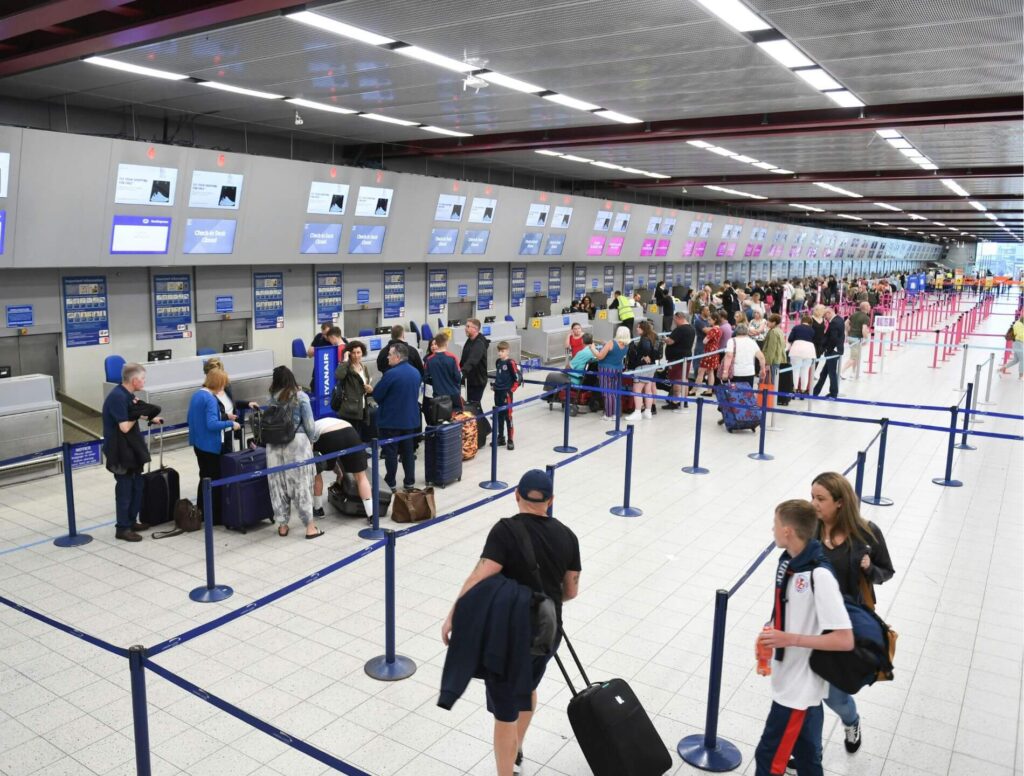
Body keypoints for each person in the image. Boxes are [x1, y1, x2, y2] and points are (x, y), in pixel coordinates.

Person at [440, 469, 581, 776]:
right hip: (547, 632)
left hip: (508, 635)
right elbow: (570, 591)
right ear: (550, 500)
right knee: (527, 687)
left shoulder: (505, 531)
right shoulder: (568, 536)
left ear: (516, 495)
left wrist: (455, 613)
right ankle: (516, 748)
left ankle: (506, 771)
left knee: (504, 710)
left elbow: (481, 575)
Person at [753, 499, 853, 776]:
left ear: (787, 531)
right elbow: (788, 610)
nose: (771, 529)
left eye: (775, 524)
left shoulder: (819, 575)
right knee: (808, 761)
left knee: (769, 758)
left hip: (799, 689)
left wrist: (789, 639)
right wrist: (770, 631)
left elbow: (844, 640)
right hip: (791, 680)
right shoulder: (789, 562)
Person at [810, 472, 895, 756]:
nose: (814, 504)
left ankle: (852, 721)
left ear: (840, 503)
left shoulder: (867, 533)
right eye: (812, 497)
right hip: (811, 621)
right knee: (809, 696)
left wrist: (870, 569)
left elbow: (886, 571)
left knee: (836, 696)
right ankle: (811, 752)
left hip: (846, 627)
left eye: (820, 498)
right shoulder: (811, 529)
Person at [248, 367, 321, 538]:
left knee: (277, 484)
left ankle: (282, 525)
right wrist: (312, 440)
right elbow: (310, 425)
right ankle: (310, 527)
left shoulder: (272, 398)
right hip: (297, 444)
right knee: (301, 485)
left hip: (273, 446)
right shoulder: (300, 396)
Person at [102, 363, 163, 542]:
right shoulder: (117, 398)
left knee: (138, 486)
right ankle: (122, 528)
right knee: (125, 490)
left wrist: (150, 417)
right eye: (143, 379)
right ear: (134, 380)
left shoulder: (128, 395)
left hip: (132, 449)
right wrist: (137, 415)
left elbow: (134, 412)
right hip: (120, 451)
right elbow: (124, 427)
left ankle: (131, 521)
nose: (144, 381)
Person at [186, 368, 239, 523]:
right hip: (211, 446)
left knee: (204, 477)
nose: (224, 387)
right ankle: (214, 516)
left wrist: (223, 416)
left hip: (198, 444)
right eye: (222, 384)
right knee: (214, 480)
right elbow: (211, 424)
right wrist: (230, 423)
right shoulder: (210, 399)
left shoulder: (197, 394)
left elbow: (192, 417)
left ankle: (202, 511)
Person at [373, 343, 422, 491]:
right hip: (410, 420)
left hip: (391, 422)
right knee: (408, 452)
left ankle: (391, 482)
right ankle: (409, 482)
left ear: (397, 357)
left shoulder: (391, 374)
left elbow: (377, 395)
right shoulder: (415, 372)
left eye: (390, 354)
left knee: (391, 454)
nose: (387, 357)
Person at [311, 415, 372, 520]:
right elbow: (338, 455)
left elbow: (317, 456)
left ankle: (318, 509)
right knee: (361, 476)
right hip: (350, 432)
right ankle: (371, 515)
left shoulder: (311, 428)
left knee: (316, 473)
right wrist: (339, 472)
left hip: (327, 435)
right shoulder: (329, 421)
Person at [333, 340, 373, 439]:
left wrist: (370, 389)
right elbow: (338, 375)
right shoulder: (347, 367)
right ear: (349, 353)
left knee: (358, 436)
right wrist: (345, 360)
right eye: (353, 353)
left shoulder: (364, 367)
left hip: (361, 408)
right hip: (349, 410)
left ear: (362, 353)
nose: (356, 355)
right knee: (350, 438)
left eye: (358, 352)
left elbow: (366, 384)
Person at [623, 320, 660, 421]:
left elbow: (647, 348)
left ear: (643, 328)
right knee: (648, 389)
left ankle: (638, 412)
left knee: (637, 390)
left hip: (642, 367)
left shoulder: (644, 339)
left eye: (638, 327)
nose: (637, 328)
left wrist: (645, 355)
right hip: (651, 367)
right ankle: (648, 411)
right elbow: (657, 352)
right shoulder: (653, 337)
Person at [202, 357, 238, 453]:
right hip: (215, 436)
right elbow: (209, 417)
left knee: (229, 461)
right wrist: (227, 417)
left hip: (228, 432)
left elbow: (231, 403)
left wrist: (247, 403)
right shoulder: (205, 394)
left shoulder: (226, 386)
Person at [594, 325, 630, 421]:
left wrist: (592, 348)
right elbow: (615, 350)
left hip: (606, 369)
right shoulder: (626, 345)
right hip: (618, 370)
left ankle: (608, 415)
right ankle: (615, 414)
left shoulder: (611, 343)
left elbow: (600, 356)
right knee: (615, 392)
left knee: (607, 392)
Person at [491, 341, 521, 450]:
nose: (500, 353)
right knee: (499, 415)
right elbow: (499, 377)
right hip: (497, 393)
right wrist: (495, 386)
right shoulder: (498, 362)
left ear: (507, 351)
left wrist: (510, 391)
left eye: (502, 351)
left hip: (506, 394)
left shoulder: (510, 362)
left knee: (508, 417)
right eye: (499, 351)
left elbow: (517, 379)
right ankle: (501, 437)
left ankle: (510, 440)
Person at [663, 311, 695, 409]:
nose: (674, 321)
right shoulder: (691, 328)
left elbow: (670, 342)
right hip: (686, 357)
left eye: (674, 319)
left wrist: (664, 339)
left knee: (676, 380)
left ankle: (675, 402)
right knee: (684, 379)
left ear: (678, 318)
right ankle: (684, 401)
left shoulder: (680, 329)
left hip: (677, 359)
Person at [424, 332, 463, 410]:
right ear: (446, 343)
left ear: (437, 343)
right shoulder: (452, 357)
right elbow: (458, 377)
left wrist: (436, 382)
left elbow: (426, 378)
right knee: (457, 418)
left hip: (438, 396)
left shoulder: (429, 360)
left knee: (440, 418)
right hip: (453, 394)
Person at [721, 323, 766, 388]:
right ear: (747, 332)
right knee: (747, 395)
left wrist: (725, 371)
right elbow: (761, 357)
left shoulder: (731, 341)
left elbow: (729, 356)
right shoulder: (752, 342)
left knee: (735, 395)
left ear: (736, 331)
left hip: (736, 372)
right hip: (749, 372)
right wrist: (763, 369)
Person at [813, 308, 845, 399]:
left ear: (829, 313)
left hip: (833, 352)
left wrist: (827, 349)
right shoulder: (839, 319)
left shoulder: (834, 323)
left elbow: (833, 338)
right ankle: (816, 391)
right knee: (824, 373)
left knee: (832, 373)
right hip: (836, 350)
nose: (824, 318)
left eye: (825, 316)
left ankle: (833, 393)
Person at [459, 318, 490, 405]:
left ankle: (481, 419)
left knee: (474, 406)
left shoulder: (479, 343)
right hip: (470, 380)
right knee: (472, 406)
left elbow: (472, 361)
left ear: (475, 329)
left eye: (468, 326)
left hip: (477, 382)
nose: (465, 328)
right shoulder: (470, 340)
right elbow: (464, 359)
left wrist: (461, 373)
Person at [841, 302, 872, 379]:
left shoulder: (854, 314)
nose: (870, 306)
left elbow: (846, 323)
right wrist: (866, 338)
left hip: (851, 337)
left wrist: (848, 332)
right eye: (869, 305)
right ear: (866, 307)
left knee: (856, 356)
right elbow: (864, 329)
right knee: (854, 357)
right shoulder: (866, 318)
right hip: (857, 339)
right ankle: (841, 372)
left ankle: (853, 372)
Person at [695, 314, 721, 396]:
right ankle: (709, 390)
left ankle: (693, 389)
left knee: (701, 371)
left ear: (715, 320)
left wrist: (705, 338)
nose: (708, 321)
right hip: (715, 351)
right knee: (711, 371)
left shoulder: (713, 330)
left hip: (709, 351)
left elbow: (704, 341)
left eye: (710, 320)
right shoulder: (719, 329)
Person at [761, 314, 787, 383]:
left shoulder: (773, 332)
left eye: (769, 321)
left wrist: (768, 363)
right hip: (779, 359)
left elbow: (771, 349)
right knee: (776, 381)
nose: (767, 323)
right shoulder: (780, 331)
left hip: (773, 361)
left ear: (774, 322)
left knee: (772, 381)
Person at [999, 311, 1024, 379]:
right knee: (1022, 359)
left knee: (1016, 360)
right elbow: (1020, 335)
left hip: (1016, 343)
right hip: (1018, 343)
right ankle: (1021, 375)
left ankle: (1002, 368)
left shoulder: (1018, 324)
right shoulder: (1020, 326)